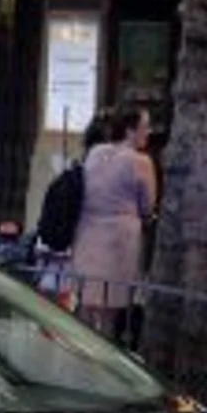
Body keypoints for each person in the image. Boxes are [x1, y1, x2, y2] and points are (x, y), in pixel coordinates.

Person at [69, 105, 157, 343]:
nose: (148, 132)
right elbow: (148, 205)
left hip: (88, 233)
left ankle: (81, 353)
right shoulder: (141, 162)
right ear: (130, 130)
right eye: (144, 127)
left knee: (87, 302)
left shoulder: (96, 152)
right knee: (110, 308)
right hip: (119, 241)